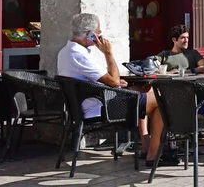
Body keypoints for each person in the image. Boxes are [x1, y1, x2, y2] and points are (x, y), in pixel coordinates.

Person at [57, 13, 177, 167]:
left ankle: (146, 143)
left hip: (86, 104)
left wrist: (112, 82)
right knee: (161, 97)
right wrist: (108, 53)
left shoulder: (65, 52)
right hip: (101, 109)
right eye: (99, 32)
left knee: (140, 89)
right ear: (89, 34)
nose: (101, 36)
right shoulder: (79, 55)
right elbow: (113, 81)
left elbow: (103, 80)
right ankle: (153, 154)